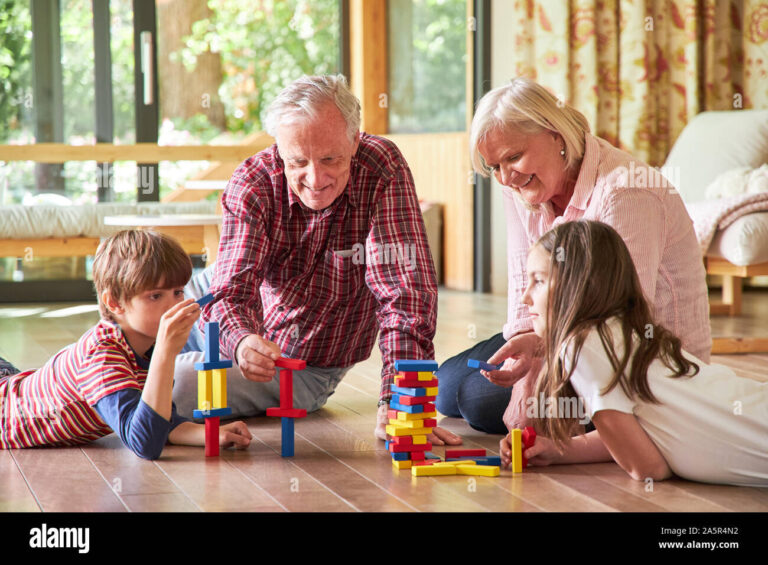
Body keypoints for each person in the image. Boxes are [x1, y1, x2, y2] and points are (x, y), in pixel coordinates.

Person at [172, 74, 461, 446]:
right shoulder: (252, 181)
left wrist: (402, 400)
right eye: (298, 161)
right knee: (114, 344)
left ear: (355, 141)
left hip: (299, 362)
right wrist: (242, 340)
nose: (315, 178)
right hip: (221, 312)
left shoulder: (382, 167)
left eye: (330, 159)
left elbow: (405, 294)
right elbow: (228, 292)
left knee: (170, 383)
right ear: (278, 148)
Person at [436, 77, 712, 434]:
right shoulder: (520, 185)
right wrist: (529, 342)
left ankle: (605, 417)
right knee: (444, 387)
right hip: (560, 329)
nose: (505, 178)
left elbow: (620, 321)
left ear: (556, 135)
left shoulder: (627, 191)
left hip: (633, 353)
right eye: (494, 167)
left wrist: (533, 376)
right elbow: (524, 276)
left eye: (513, 157)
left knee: (477, 400)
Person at [498, 220, 767, 486]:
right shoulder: (620, 331)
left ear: (579, 285)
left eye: (539, 281)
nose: (525, 298)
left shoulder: (580, 346)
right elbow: (642, 438)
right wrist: (557, 450)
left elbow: (648, 468)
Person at [0, 230, 252, 459]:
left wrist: (209, 434)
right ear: (114, 303)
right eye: (155, 296)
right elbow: (145, 443)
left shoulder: (148, 344)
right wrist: (165, 353)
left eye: (177, 292)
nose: (174, 305)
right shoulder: (103, 356)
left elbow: (160, 418)